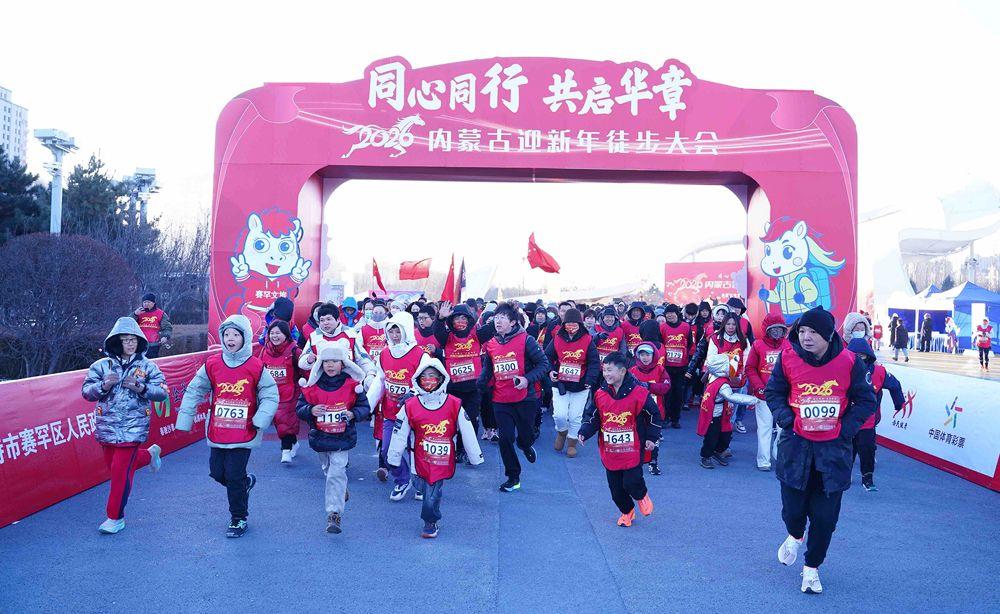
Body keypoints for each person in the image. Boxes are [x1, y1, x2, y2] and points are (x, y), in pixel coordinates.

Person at [765, 306, 877, 594]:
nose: (806, 337)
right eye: (802, 331)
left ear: (828, 335)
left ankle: (812, 568)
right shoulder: (787, 358)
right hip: (795, 449)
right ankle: (794, 535)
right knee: (793, 512)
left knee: (825, 519)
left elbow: (867, 401)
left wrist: (846, 429)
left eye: (813, 332)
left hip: (833, 454)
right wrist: (786, 419)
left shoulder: (850, 362)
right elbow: (773, 392)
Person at [176, 314, 279, 538]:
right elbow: (195, 390)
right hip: (218, 430)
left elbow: (270, 394)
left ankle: (238, 518)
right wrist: (185, 418)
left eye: (235, 335)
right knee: (216, 472)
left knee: (233, 475)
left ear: (245, 337)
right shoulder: (212, 364)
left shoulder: (255, 366)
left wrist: (261, 419)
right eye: (226, 334)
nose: (230, 339)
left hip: (244, 431)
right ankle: (244, 483)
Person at [82, 317, 168, 534]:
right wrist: (104, 385)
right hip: (107, 428)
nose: (130, 344)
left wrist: (141, 388)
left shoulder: (148, 366)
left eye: (133, 339)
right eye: (125, 340)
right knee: (115, 467)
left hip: (133, 428)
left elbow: (162, 392)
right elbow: (86, 392)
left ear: (139, 341)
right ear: (116, 341)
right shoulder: (101, 366)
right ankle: (149, 455)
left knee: (120, 473)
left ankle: (115, 517)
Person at [388, 355, 484, 538]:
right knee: (420, 485)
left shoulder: (454, 404)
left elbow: (468, 431)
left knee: (432, 491)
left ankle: (430, 522)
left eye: (432, 376)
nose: (428, 380)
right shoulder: (409, 406)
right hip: (419, 458)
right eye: (424, 376)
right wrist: (393, 457)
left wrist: (475, 456)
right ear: (417, 379)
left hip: (441, 460)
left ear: (441, 378)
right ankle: (424, 495)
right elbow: (399, 432)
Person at [296, 343, 371, 533]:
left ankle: (334, 514)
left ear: (343, 363)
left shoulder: (353, 386)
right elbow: (300, 408)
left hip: (342, 438)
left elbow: (365, 407)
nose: (330, 365)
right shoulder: (312, 386)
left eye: (335, 361)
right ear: (320, 363)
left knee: (336, 472)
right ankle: (339, 489)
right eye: (326, 361)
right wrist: (311, 410)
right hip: (320, 437)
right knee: (328, 470)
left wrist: (353, 414)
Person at [577, 352, 658, 527]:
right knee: (616, 491)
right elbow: (593, 416)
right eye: (604, 370)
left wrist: (652, 437)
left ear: (622, 371)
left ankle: (641, 495)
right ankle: (627, 512)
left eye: (610, 370)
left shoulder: (640, 393)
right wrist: (584, 431)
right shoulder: (600, 394)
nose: (606, 374)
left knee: (632, 482)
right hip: (610, 450)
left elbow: (654, 415)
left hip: (633, 448)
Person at [478, 302, 550, 492]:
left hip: (525, 399)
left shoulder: (527, 340)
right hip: (501, 399)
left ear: (512, 322)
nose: (498, 321)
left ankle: (525, 445)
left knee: (526, 436)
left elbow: (544, 364)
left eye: (502, 318)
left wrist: (527, 379)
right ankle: (513, 476)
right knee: (505, 438)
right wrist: (480, 384)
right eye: (496, 318)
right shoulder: (491, 344)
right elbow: (488, 369)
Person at [368, 312, 424, 499]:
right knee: (387, 450)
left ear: (406, 331)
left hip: (416, 413)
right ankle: (402, 479)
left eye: (398, 331)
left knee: (417, 451)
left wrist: (414, 393)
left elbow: (429, 382)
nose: (394, 336)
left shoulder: (420, 355)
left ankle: (422, 483)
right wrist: (366, 405)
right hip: (391, 413)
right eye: (391, 331)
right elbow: (380, 381)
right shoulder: (384, 354)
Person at [434, 301, 496, 462]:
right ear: (451, 321)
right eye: (457, 318)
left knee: (471, 419)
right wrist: (440, 318)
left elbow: (494, 327)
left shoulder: (477, 335)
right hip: (453, 389)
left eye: (464, 318)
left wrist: (504, 312)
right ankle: (456, 449)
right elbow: (437, 331)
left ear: (469, 320)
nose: (460, 321)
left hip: (473, 389)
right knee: (453, 421)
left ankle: (468, 450)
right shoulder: (447, 337)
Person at [847, 338, 904, 492]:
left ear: (868, 355)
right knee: (846, 450)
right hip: (846, 419)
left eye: (861, 355)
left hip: (867, 420)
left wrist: (899, 403)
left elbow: (895, 385)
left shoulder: (879, 372)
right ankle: (845, 475)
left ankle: (867, 478)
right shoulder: (841, 369)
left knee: (867, 450)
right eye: (854, 355)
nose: (858, 359)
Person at [544, 308, 600, 458]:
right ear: (564, 324)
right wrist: (550, 371)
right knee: (559, 415)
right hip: (560, 383)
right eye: (568, 323)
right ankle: (562, 432)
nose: (571, 327)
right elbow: (547, 357)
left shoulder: (587, 339)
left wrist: (590, 380)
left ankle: (572, 443)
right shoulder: (557, 338)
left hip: (580, 385)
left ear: (580, 324)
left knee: (575, 416)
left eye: (574, 324)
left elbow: (594, 362)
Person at [745, 314, 790, 471]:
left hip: (783, 396)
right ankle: (763, 460)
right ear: (767, 330)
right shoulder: (758, 345)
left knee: (783, 428)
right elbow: (750, 368)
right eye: (773, 329)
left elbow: (793, 369)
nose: (777, 332)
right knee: (764, 429)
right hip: (763, 395)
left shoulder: (788, 346)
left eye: (780, 329)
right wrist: (758, 386)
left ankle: (779, 456)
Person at [697, 354, 758, 469]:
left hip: (721, 413)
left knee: (725, 434)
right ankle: (706, 456)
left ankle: (717, 451)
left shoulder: (715, 376)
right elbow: (731, 397)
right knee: (712, 437)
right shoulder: (723, 384)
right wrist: (753, 400)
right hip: (715, 415)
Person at [257, 320, 303, 463]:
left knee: (285, 419)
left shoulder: (295, 351)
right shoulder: (264, 351)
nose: (274, 336)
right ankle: (293, 442)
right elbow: (259, 370)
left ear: (286, 335)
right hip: (271, 393)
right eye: (272, 333)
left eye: (278, 333)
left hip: (291, 393)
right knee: (279, 421)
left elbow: (305, 370)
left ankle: (285, 450)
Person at [628, 342, 670, 475]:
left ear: (654, 355)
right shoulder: (632, 371)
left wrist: (648, 386)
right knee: (637, 438)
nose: (645, 358)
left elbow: (666, 387)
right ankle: (636, 461)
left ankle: (653, 462)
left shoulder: (660, 370)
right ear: (637, 356)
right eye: (642, 355)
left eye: (648, 355)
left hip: (656, 412)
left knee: (653, 438)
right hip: (637, 412)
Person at [659, 304, 693, 429]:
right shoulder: (662, 327)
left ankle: (675, 419)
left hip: (680, 367)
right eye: (667, 313)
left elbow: (690, 344)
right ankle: (666, 417)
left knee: (678, 394)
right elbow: (660, 344)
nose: (669, 315)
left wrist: (683, 355)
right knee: (667, 393)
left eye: (672, 313)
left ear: (677, 314)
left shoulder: (686, 326)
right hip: (666, 367)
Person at [132, 293, 172, 358]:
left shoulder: (161, 314)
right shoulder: (138, 312)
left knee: (151, 361)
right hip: (138, 344)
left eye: (148, 302)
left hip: (153, 345)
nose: (146, 304)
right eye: (144, 302)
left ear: (153, 303)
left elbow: (167, 328)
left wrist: (165, 336)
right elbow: (127, 323)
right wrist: (135, 314)